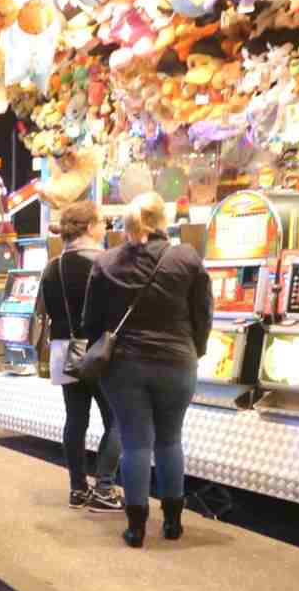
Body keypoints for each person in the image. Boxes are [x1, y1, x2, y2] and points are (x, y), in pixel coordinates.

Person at [79, 192, 211, 548]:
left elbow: (90, 321)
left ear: (127, 223)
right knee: (170, 440)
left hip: (124, 366)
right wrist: (194, 351)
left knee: (135, 443)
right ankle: (172, 523)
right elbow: (203, 315)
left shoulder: (106, 262)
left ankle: (136, 528)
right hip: (177, 362)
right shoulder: (187, 258)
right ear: (163, 220)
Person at [38, 200, 122, 512]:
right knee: (118, 420)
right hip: (99, 352)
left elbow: (44, 311)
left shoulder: (52, 267)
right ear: (89, 227)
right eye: (102, 222)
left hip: (65, 350)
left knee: (75, 419)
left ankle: (77, 489)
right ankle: (104, 489)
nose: (105, 228)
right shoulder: (106, 263)